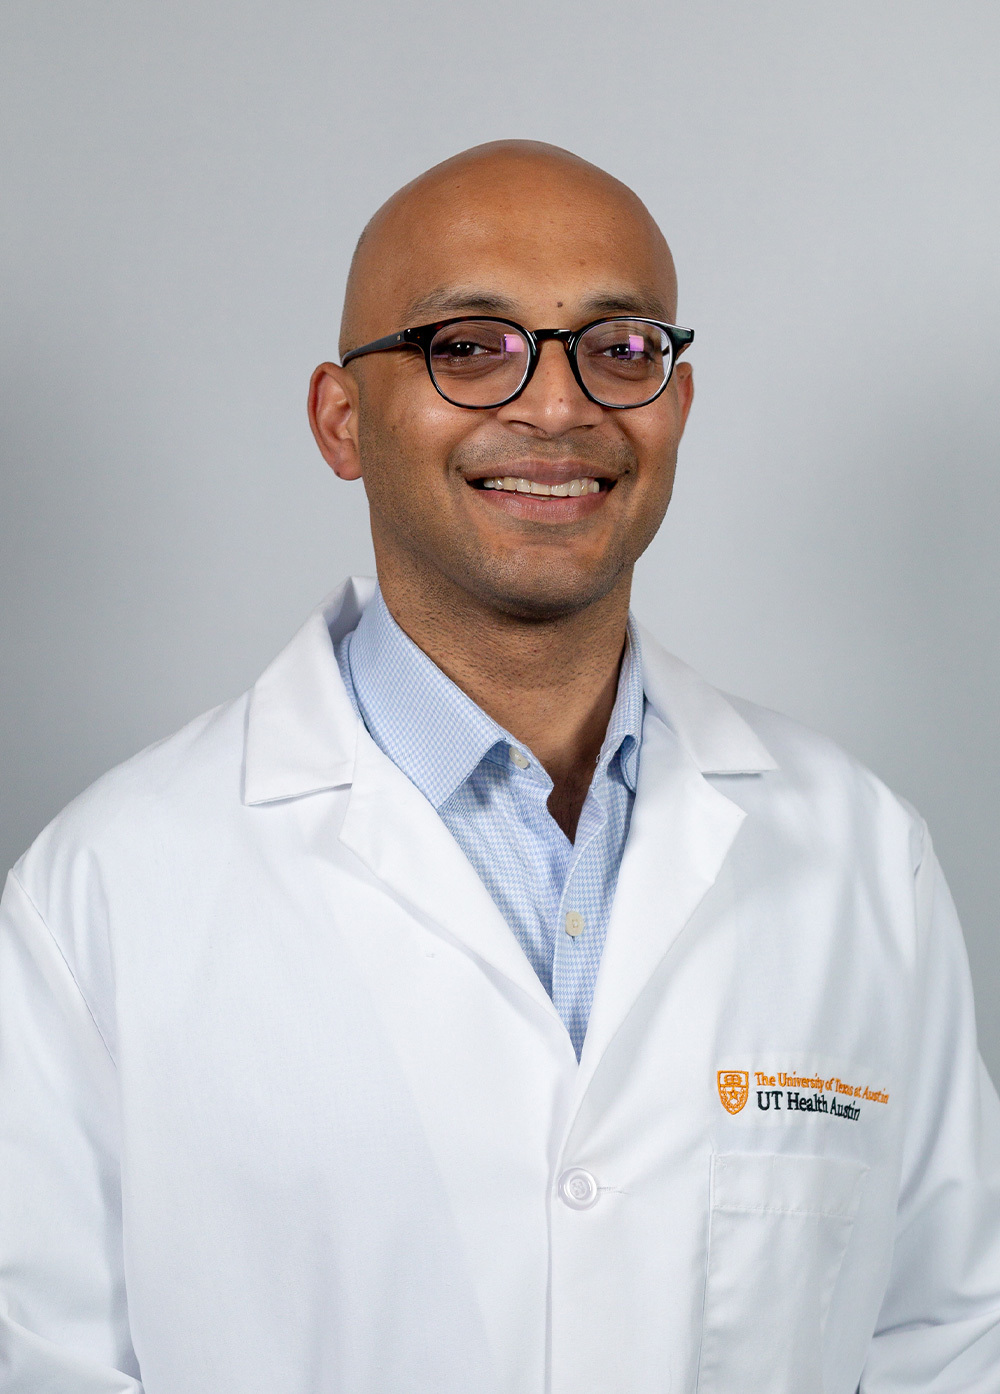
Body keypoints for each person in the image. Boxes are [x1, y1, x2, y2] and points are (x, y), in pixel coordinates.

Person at [1, 140, 998, 1394]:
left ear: (677, 408)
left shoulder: (859, 854)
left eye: (621, 348)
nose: (557, 405)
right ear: (339, 418)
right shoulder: (101, 893)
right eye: (468, 344)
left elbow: (948, 1343)